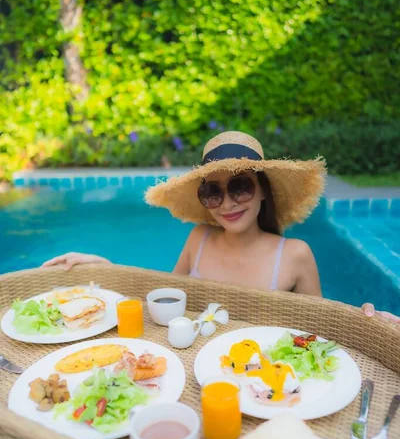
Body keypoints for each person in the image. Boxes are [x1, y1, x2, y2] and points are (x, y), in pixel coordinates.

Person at [42, 131, 399, 322]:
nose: (228, 203)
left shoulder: (294, 255)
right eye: (213, 192)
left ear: (262, 192)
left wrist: (365, 320)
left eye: (241, 186)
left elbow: (322, 327)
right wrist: (103, 268)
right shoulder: (198, 239)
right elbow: (163, 295)